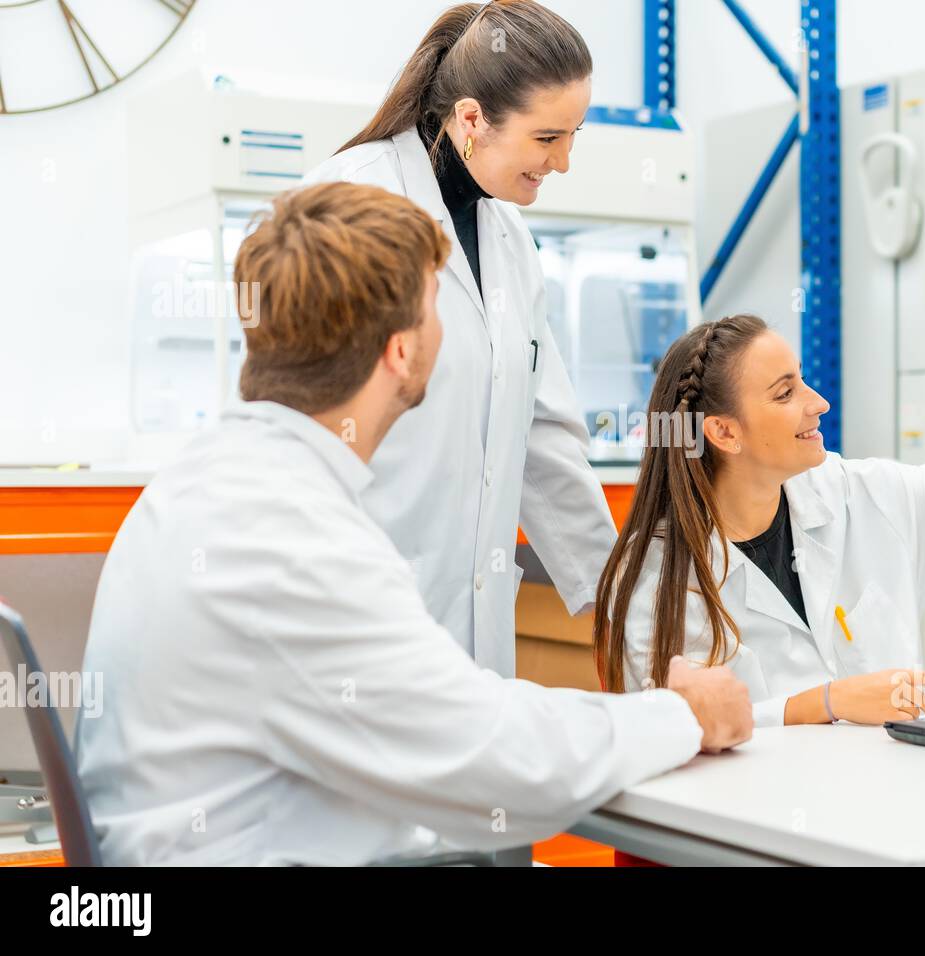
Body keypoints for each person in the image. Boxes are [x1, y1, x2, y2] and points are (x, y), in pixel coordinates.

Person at [75, 182, 751, 866]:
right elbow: (495, 760)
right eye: (439, 306)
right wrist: (682, 715)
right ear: (401, 352)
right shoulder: (288, 536)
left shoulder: (209, 484)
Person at [593, 312, 925, 727]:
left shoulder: (859, 497)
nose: (819, 403)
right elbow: (673, 728)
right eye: (785, 393)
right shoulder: (655, 577)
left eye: (804, 381)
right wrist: (828, 702)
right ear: (725, 433)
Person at [303, 1, 611, 678]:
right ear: (471, 119)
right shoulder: (351, 204)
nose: (563, 162)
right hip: (357, 627)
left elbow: (544, 439)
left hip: (471, 641)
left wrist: (621, 604)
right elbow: (305, 438)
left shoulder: (510, 241)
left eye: (574, 135)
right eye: (547, 138)